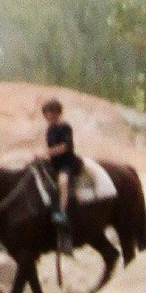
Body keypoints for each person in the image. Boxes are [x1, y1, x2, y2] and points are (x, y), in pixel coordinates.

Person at [39, 97, 84, 229]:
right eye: (46, 113)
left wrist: (48, 153)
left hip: (66, 163)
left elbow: (65, 146)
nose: (47, 116)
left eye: (49, 113)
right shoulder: (50, 128)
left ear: (56, 112)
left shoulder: (65, 127)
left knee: (63, 182)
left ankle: (62, 213)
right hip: (54, 163)